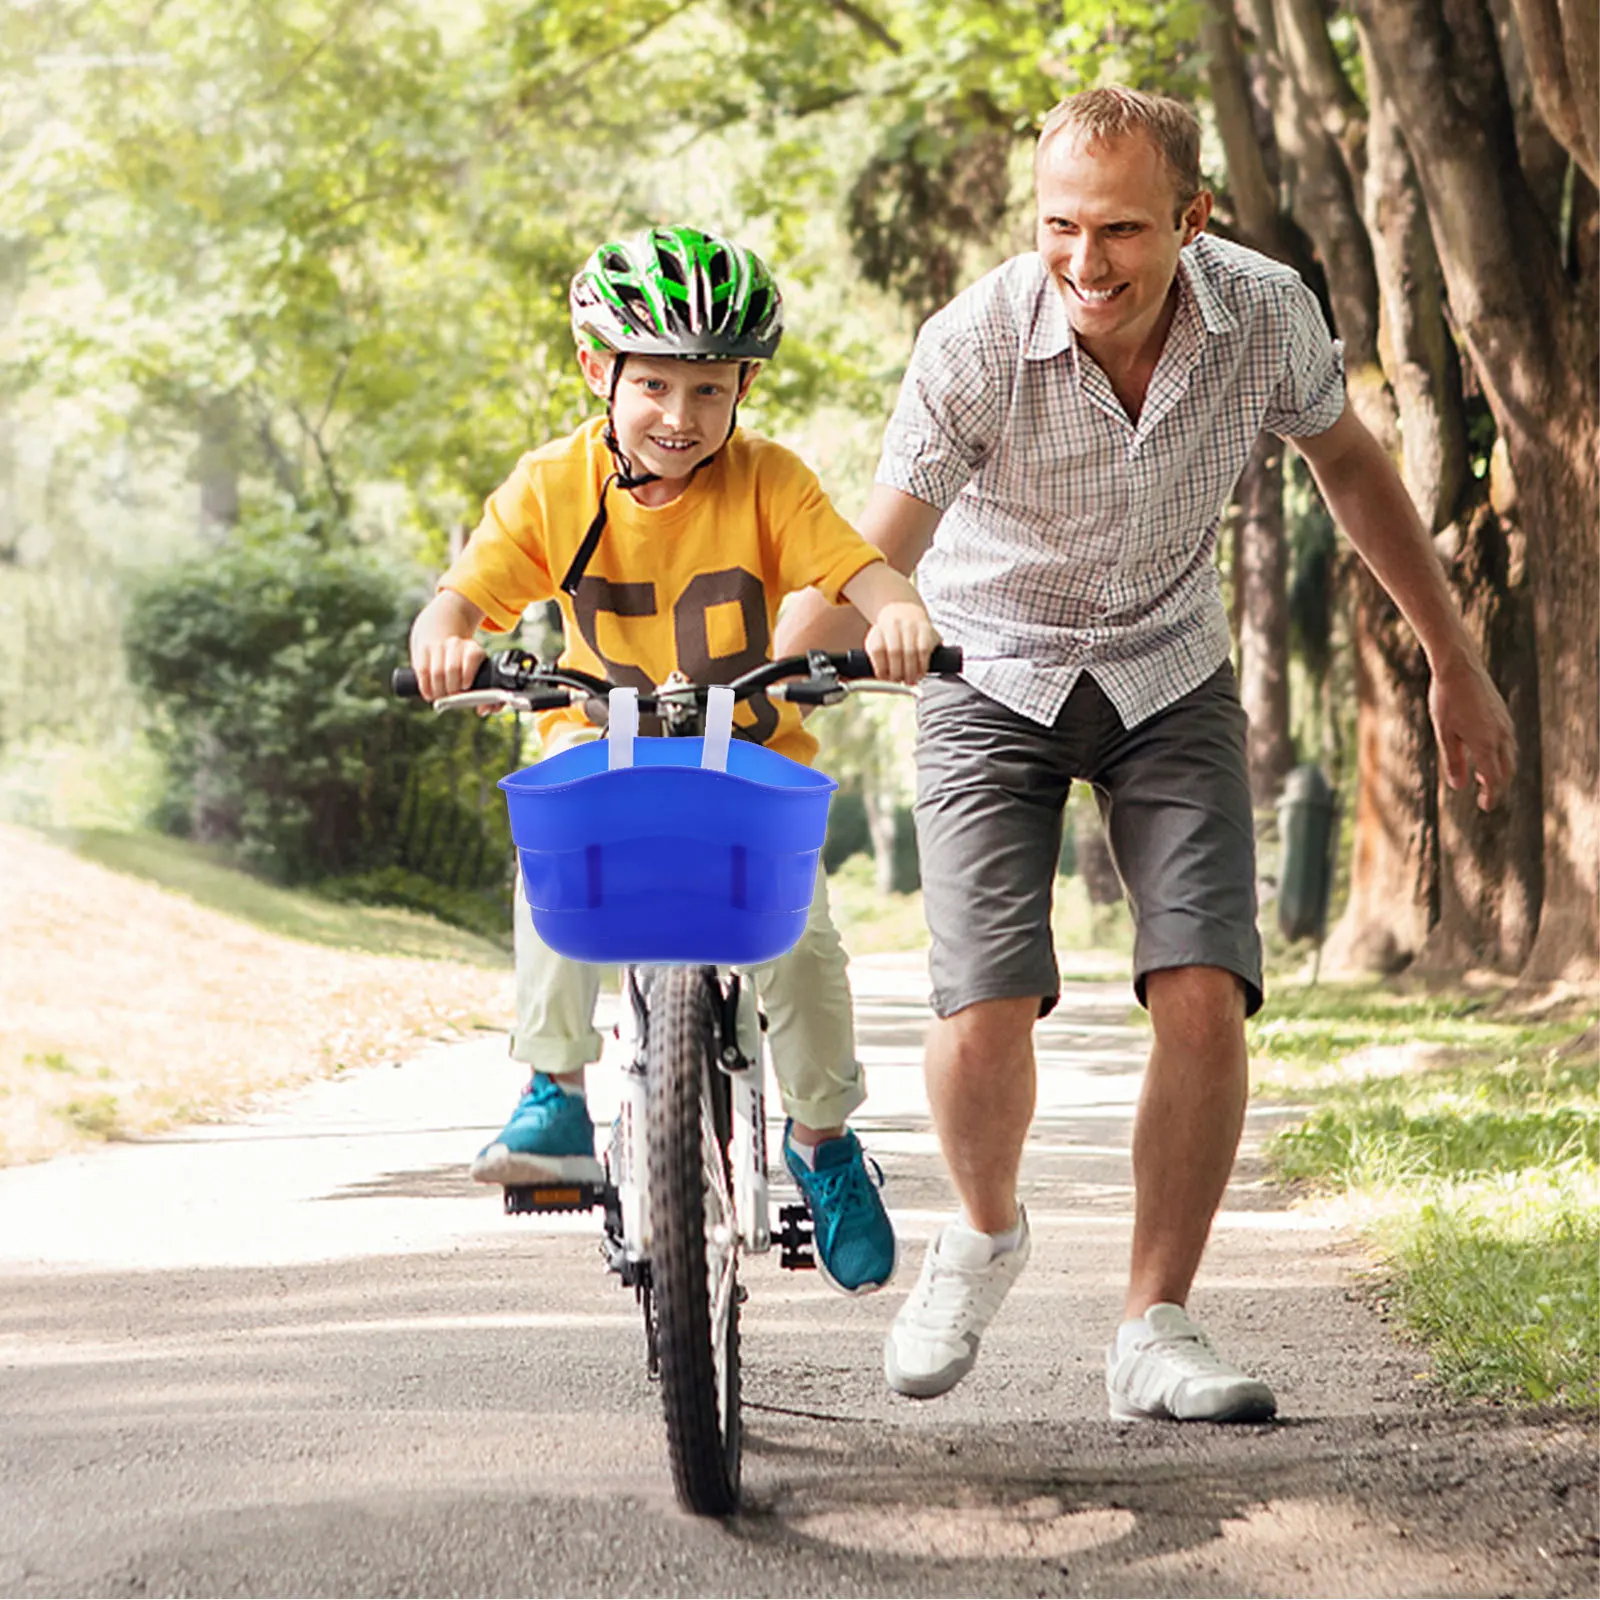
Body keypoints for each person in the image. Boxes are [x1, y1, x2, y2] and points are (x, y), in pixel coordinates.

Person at [775, 88, 1515, 1415]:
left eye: (1120, 229)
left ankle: (1154, 1328)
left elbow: (1351, 466)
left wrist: (1453, 660)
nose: (1085, 262)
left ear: (1192, 218)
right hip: (989, 670)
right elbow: (873, 551)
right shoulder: (977, 342)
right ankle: (985, 1231)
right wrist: (761, 677)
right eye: (1059, 226)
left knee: (1202, 990)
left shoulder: (1265, 315)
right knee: (986, 1009)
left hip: (1169, 667)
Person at [409, 224, 943, 1296]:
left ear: (744, 383)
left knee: (798, 942)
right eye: (652, 385)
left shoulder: (768, 482)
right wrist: (446, 633)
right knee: (553, 849)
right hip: (600, 751)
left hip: (743, 765)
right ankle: (555, 1091)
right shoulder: (553, 486)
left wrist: (898, 615)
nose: (679, 418)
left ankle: (825, 1144)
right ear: (596, 372)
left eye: (708, 390)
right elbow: (469, 591)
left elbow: (859, 568)